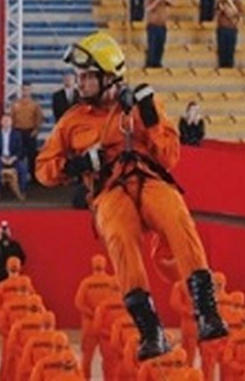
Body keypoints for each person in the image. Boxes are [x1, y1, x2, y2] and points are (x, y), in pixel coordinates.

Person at [37, 31, 228, 361]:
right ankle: (150, 331)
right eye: (80, 76)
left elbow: (169, 157)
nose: (79, 83)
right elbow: (44, 170)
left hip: (149, 179)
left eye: (87, 76)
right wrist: (78, 163)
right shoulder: (72, 122)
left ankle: (207, 312)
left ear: (109, 77)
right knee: (120, 238)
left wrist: (150, 117)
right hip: (110, 191)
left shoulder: (143, 105)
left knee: (176, 216)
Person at [74, 255, 120, 380]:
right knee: (109, 359)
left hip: (90, 325)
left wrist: (93, 313)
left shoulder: (87, 283)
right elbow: (118, 304)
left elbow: (79, 303)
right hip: (106, 327)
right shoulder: (111, 283)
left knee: (87, 358)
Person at [0, 114, 28, 202]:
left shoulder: (17, 134)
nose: (6, 123)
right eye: (4, 121)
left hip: (13, 158)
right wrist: (0, 158)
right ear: (1, 122)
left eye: (8, 121)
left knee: (23, 168)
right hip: (0, 158)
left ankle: (22, 191)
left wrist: (13, 158)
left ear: (11, 123)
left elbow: (21, 150)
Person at [11, 84, 44, 172]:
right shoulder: (15, 103)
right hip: (18, 131)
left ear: (30, 91)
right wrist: (13, 131)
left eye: (27, 90)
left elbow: (39, 118)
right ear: (21, 90)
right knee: (18, 154)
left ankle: (33, 177)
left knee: (32, 155)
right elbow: (12, 117)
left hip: (30, 131)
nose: (25, 92)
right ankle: (19, 175)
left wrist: (36, 130)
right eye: (24, 90)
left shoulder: (35, 104)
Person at [215, 0, 244, 69]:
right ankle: (222, 67)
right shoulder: (221, 2)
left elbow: (241, 16)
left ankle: (230, 67)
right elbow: (215, 15)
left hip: (232, 28)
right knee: (222, 50)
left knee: (230, 49)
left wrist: (232, 12)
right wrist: (222, 9)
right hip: (222, 28)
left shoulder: (237, 3)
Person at [145, 0, 172, 68]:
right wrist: (157, 1)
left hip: (162, 25)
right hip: (153, 25)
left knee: (160, 45)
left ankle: (158, 62)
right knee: (152, 45)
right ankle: (150, 63)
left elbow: (172, 3)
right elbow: (148, 9)